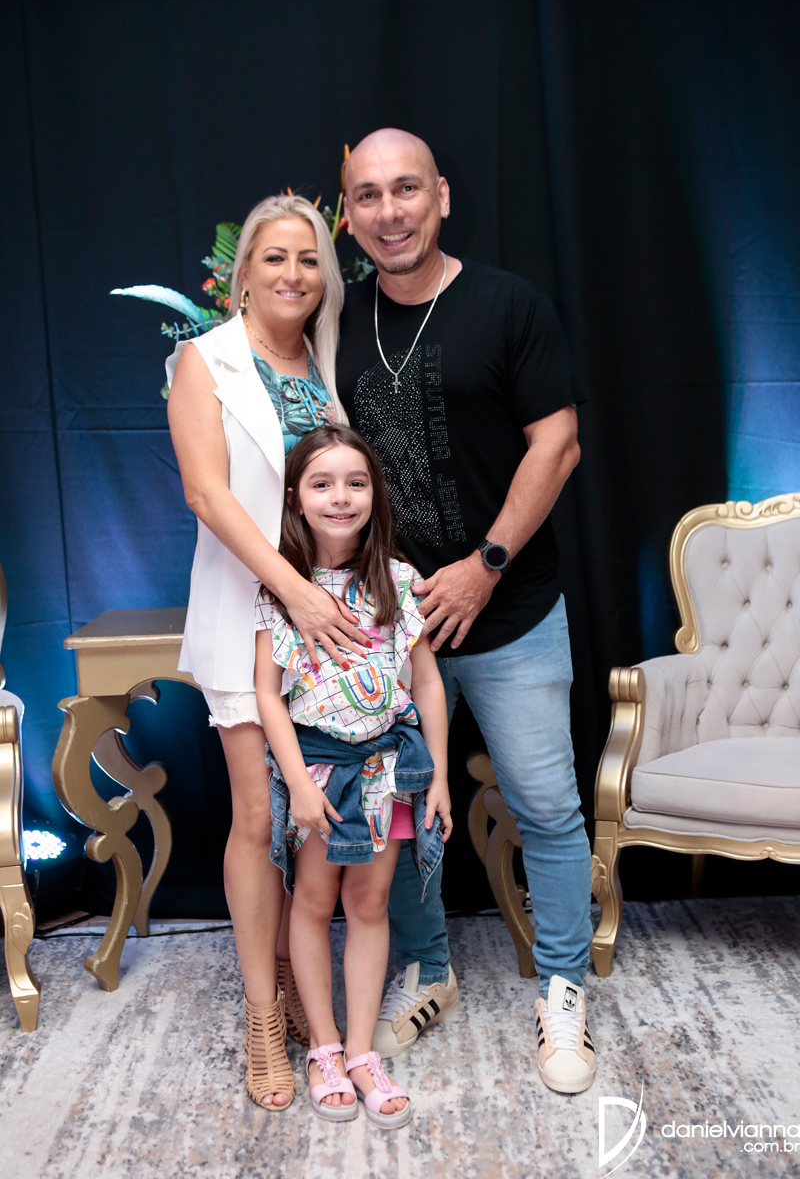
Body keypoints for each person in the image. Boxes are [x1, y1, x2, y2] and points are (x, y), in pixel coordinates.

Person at [336, 128, 597, 1094]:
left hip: (510, 608)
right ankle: (427, 969)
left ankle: (563, 990)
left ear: (441, 196)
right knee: (400, 809)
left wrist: (483, 566)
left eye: (406, 189)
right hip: (392, 627)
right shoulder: (338, 320)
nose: (390, 212)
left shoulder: (507, 303)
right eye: (369, 196)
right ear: (348, 215)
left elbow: (557, 444)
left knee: (546, 804)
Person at [166, 194, 372, 1111]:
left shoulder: (324, 364)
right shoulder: (203, 360)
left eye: (310, 258)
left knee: (311, 818)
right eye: (276, 257)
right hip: (251, 613)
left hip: (329, 628)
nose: (294, 273)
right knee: (258, 817)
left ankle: (293, 982)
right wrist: (294, 591)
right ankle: (261, 1015)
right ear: (242, 270)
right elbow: (208, 496)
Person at [255, 423, 452, 1127]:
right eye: (322, 483)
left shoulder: (396, 581)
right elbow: (268, 695)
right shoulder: (281, 586)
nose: (340, 497)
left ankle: (363, 1052)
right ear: (296, 498)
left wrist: (438, 777)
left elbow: (425, 683)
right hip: (318, 771)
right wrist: (298, 785)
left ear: (374, 494)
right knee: (313, 904)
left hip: (387, 772)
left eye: (356, 483)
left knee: (369, 906)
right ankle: (324, 1049)